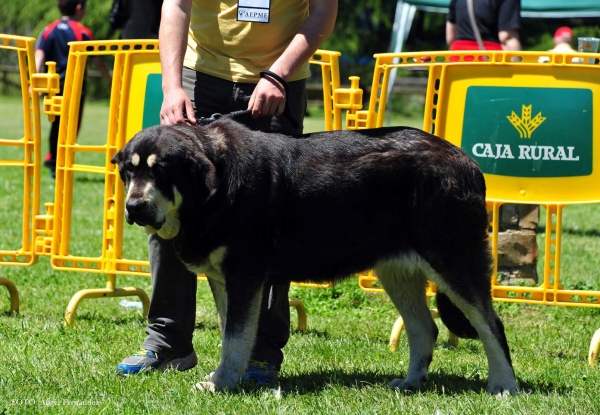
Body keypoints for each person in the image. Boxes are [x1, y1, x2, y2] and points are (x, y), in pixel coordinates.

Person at [116, 0, 338, 386]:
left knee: (268, 220)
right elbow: (176, 6)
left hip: (279, 81)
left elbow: (324, 10)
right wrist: (171, 87)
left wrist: (278, 74)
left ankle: (259, 355)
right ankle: (169, 343)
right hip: (200, 78)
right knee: (166, 208)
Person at [35, 0, 111, 178]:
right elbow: (97, 60)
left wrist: (35, 82)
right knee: (71, 126)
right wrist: (109, 79)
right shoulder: (82, 31)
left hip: (53, 87)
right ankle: (60, 161)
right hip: (74, 87)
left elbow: (39, 55)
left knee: (57, 124)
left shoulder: (48, 30)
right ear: (79, 7)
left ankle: (54, 159)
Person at [446, 0, 521, 51]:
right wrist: (518, 70)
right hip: (490, 60)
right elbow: (507, 37)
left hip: (458, 59)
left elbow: (450, 38)